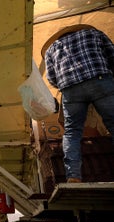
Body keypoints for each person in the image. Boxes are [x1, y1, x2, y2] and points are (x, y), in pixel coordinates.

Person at [42, 24, 114, 183]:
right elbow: (112, 56)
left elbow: (52, 78)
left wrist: (67, 86)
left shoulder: (52, 49)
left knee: (72, 132)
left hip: (70, 90)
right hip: (99, 80)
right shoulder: (94, 33)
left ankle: (73, 175)